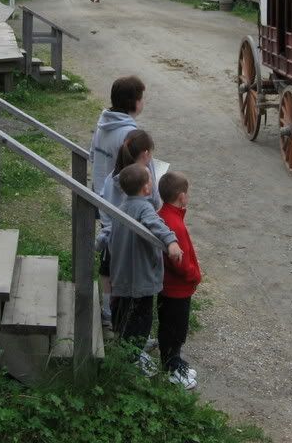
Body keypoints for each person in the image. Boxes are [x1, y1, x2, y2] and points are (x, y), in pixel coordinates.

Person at [108, 163, 183, 375]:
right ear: (146, 189)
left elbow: (110, 229)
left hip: (123, 273)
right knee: (141, 318)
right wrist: (171, 242)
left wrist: (102, 240)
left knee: (125, 313)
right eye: (150, 179)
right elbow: (156, 224)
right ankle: (133, 356)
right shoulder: (143, 207)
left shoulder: (122, 206)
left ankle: (127, 343)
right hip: (139, 276)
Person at [91, 76, 146, 326]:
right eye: (141, 97)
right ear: (133, 102)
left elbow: (94, 155)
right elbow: (136, 172)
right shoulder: (129, 134)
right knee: (120, 262)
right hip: (121, 203)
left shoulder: (103, 124)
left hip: (101, 197)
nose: (143, 102)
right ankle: (117, 316)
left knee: (108, 258)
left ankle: (106, 309)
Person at [157, 171, 201, 390]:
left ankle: (174, 359)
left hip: (168, 286)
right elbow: (181, 262)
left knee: (169, 325)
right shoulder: (176, 224)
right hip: (177, 289)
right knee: (176, 328)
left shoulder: (163, 215)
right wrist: (194, 275)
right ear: (182, 196)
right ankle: (172, 366)